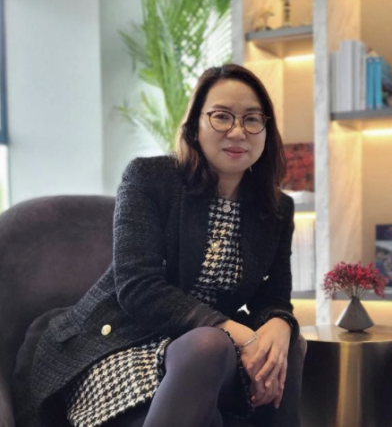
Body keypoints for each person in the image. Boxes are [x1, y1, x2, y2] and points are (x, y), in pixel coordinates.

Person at [18, 64, 299, 427]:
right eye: (221, 117)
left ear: (266, 130)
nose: (237, 131)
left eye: (252, 119)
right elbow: (138, 288)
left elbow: (275, 296)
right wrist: (237, 331)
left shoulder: (276, 209)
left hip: (203, 355)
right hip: (121, 344)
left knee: (282, 346)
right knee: (210, 354)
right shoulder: (149, 179)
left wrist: (280, 323)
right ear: (195, 125)